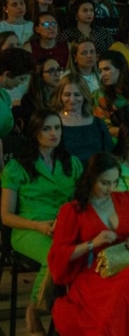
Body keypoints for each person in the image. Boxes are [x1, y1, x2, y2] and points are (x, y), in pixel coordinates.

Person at [47, 152, 129, 336]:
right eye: (105, 183)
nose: (111, 188)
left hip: (128, 265)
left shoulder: (125, 200)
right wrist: (92, 243)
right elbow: (58, 255)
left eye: (115, 182)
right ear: (91, 179)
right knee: (107, 315)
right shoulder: (73, 210)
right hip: (95, 273)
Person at [1, 110, 83, 335]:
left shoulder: (71, 163)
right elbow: (6, 215)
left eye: (57, 128)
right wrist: (38, 226)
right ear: (35, 132)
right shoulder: (16, 167)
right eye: (46, 128)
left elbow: (81, 202)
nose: (53, 133)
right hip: (29, 228)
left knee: (87, 253)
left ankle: (71, 318)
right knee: (55, 256)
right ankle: (34, 310)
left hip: (64, 226)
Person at [52, 74, 114, 164]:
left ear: (84, 95)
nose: (72, 99)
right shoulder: (53, 123)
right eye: (67, 95)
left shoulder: (98, 123)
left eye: (77, 94)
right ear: (60, 96)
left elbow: (109, 154)